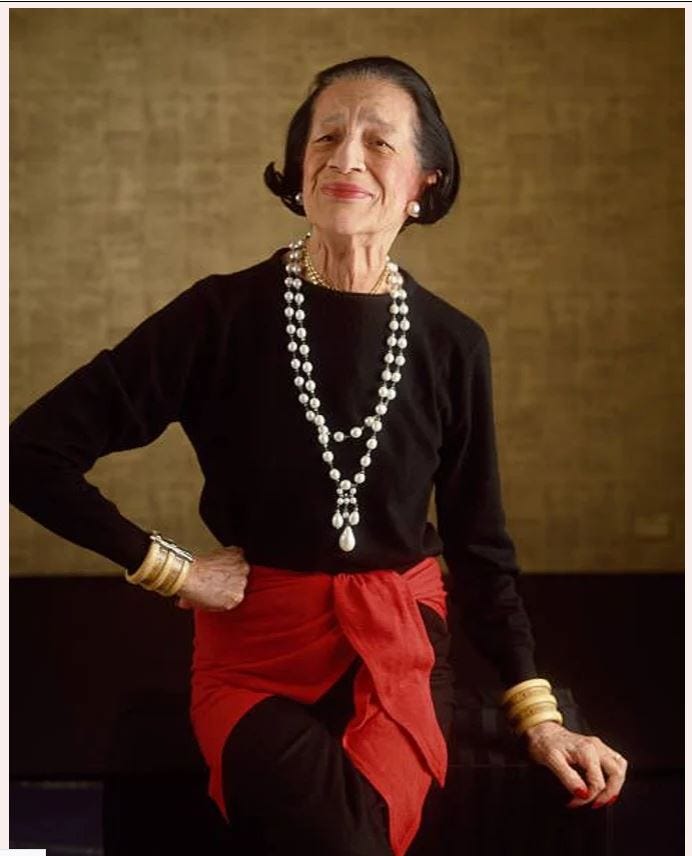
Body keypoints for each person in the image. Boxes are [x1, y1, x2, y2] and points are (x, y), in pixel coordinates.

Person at [9, 56, 627, 855]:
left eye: (379, 141)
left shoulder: (453, 343)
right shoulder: (219, 316)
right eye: (326, 138)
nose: (346, 158)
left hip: (402, 649)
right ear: (299, 171)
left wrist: (539, 717)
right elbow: (31, 453)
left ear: (425, 181)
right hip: (253, 657)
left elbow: (480, 548)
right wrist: (171, 570)